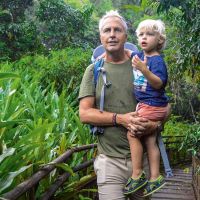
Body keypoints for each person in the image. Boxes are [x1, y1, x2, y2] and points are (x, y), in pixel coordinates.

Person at [79, 10, 160, 200]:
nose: (112, 34)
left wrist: (155, 124)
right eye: (107, 30)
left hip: (144, 161)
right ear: (101, 37)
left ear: (126, 35)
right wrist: (120, 119)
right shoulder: (94, 71)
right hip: (109, 162)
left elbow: (164, 105)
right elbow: (84, 114)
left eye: (118, 30)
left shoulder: (142, 65)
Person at [123, 19, 170, 197]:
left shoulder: (156, 60)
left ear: (159, 39)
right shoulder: (139, 55)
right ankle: (155, 177)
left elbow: (159, 84)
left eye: (149, 34)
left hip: (152, 104)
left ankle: (137, 174)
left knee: (132, 132)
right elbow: (127, 52)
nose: (144, 38)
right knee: (150, 140)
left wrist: (144, 70)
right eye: (141, 34)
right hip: (149, 104)